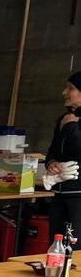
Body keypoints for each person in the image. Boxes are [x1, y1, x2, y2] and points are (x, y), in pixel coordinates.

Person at [44, 72, 81, 245]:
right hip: (59, 193)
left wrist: (71, 127)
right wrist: (51, 163)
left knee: (75, 246)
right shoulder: (65, 118)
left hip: (78, 197)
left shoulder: (70, 121)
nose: (64, 92)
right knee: (56, 244)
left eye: (71, 88)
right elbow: (53, 151)